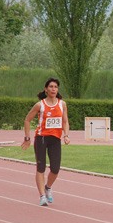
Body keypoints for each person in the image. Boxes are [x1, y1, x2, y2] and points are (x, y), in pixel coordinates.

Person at [21, 77, 70, 206]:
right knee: (41, 168)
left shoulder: (62, 104)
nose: (53, 89)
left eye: (56, 87)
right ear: (46, 89)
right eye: (51, 87)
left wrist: (66, 135)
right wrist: (27, 137)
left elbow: (65, 121)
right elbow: (27, 120)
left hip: (55, 139)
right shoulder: (40, 105)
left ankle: (48, 187)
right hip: (41, 138)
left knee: (55, 169)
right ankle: (42, 196)